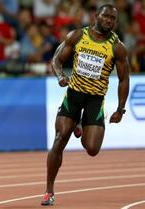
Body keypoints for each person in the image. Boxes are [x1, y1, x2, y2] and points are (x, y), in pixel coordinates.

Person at [41, 4, 130, 206]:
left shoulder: (117, 47)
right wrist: (61, 76)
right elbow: (56, 59)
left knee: (92, 149)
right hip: (73, 95)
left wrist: (120, 109)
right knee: (59, 138)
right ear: (95, 16)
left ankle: (80, 122)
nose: (109, 21)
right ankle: (49, 191)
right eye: (105, 16)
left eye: (112, 19)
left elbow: (124, 79)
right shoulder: (78, 36)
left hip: (95, 100)